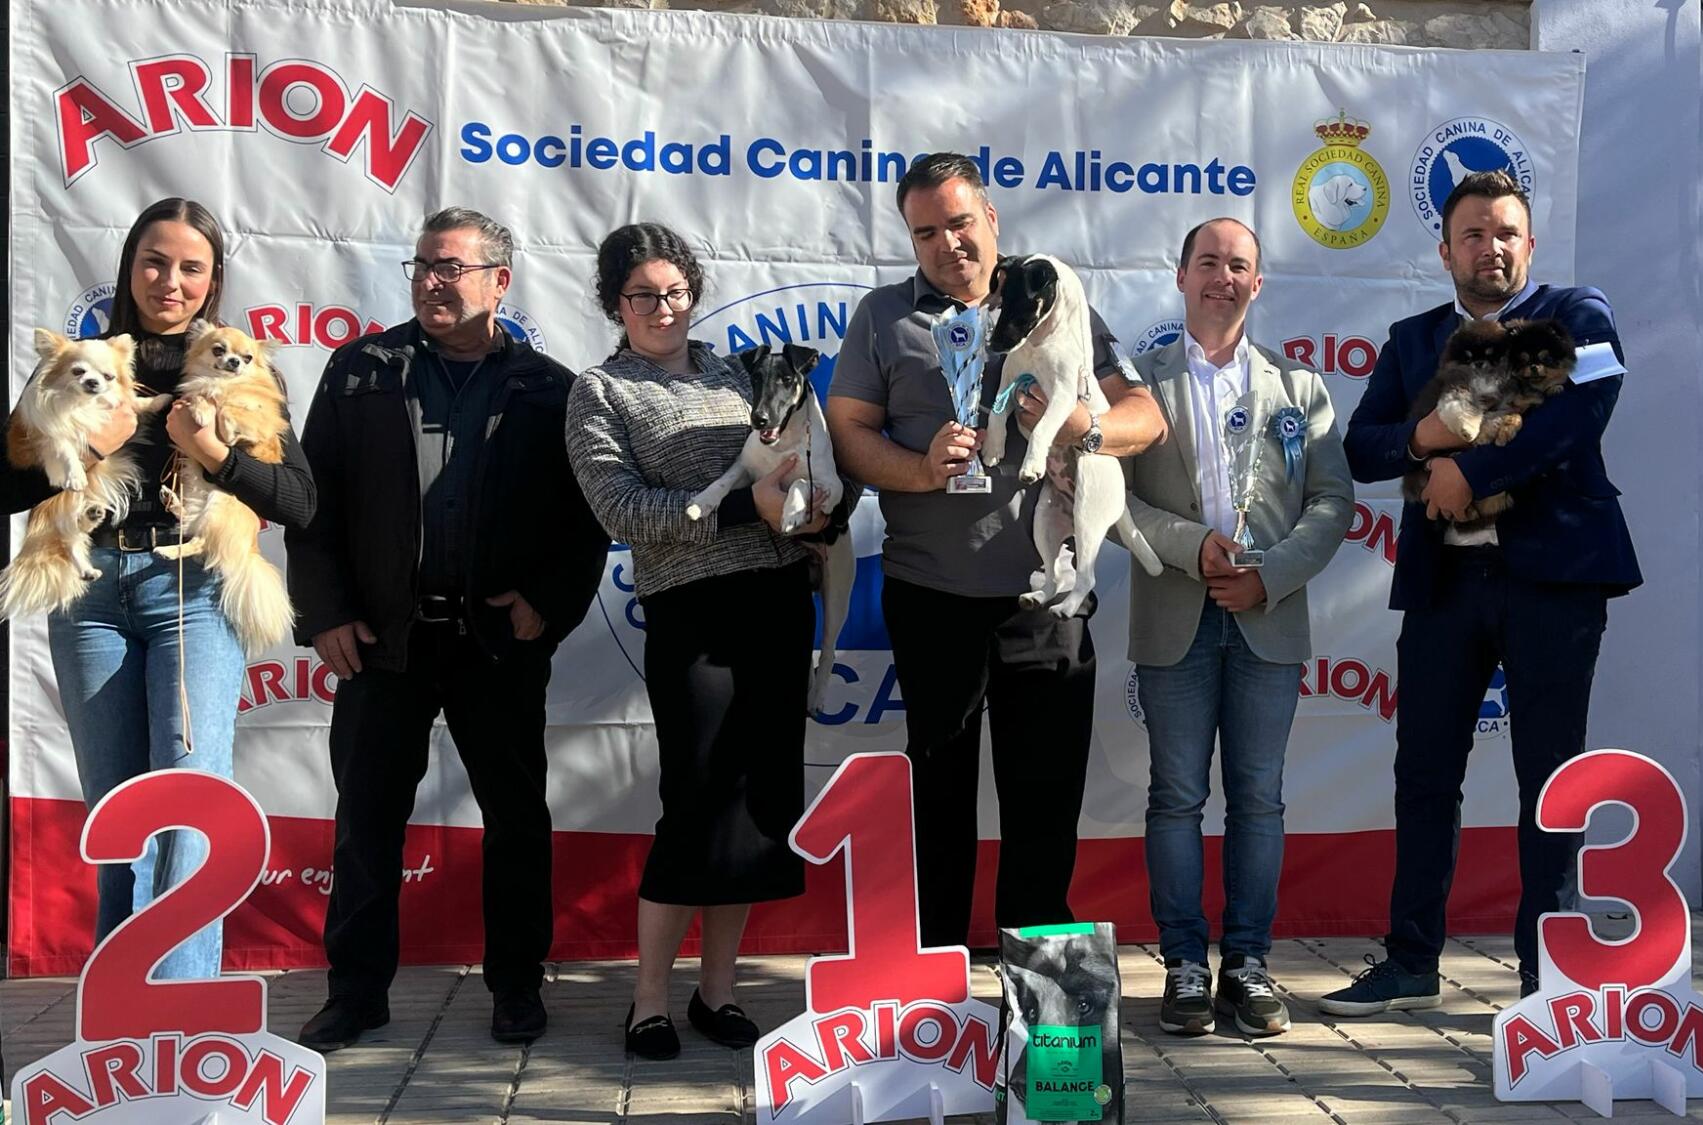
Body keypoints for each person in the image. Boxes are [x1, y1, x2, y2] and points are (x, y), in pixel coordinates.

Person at [285, 206, 608, 1050]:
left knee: (516, 820)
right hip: (383, 641)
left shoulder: (551, 388)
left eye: (450, 268)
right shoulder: (360, 371)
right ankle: (356, 993)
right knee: (365, 822)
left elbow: (583, 519)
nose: (432, 281)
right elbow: (314, 504)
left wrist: (547, 602)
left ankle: (516, 986)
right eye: (423, 266)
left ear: (500, 282)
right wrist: (325, 614)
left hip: (495, 644)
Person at [826, 152, 1166, 949]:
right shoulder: (881, 315)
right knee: (936, 798)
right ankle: (937, 982)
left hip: (1047, 598)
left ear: (991, 219)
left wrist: (1080, 425)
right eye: (925, 233)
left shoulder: (1051, 296)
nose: (947, 244)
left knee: (1044, 804)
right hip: (932, 595)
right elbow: (846, 434)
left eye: (959, 223)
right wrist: (919, 468)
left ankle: (1037, 994)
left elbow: (1145, 417)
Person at [1321, 171, 1642, 1016]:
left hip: (1555, 582)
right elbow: (1361, 447)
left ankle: (1548, 973)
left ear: (1529, 244)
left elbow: (1581, 414)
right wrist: (1426, 437)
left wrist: (1472, 471)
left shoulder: (1579, 314)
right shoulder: (1413, 339)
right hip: (1445, 586)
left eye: (1505, 233)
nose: (1490, 248)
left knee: (1552, 777)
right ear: (1445, 251)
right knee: (1424, 773)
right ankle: (1411, 960)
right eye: (1473, 234)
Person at [1, 197, 316, 979]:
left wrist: (214, 453)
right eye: (154, 261)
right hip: (89, 592)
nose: (169, 281)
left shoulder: (237, 361)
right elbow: (3, 483)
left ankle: (179, 1003)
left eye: (189, 268)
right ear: (129, 266)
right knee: (115, 810)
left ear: (212, 280)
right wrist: (87, 447)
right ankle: (120, 1008)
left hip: (193, 587)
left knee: (189, 795)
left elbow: (300, 500)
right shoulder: (79, 359)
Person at [566, 222, 840, 1060]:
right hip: (690, 610)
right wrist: (745, 509)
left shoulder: (740, 371)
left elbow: (806, 454)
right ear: (615, 302)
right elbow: (621, 510)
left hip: (778, 602)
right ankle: (648, 999)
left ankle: (718, 991)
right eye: (643, 295)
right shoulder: (600, 391)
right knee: (694, 803)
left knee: (756, 807)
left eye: (676, 292)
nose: (663, 308)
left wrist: (820, 512)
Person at [1121, 218, 1354, 1037]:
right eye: (1209, 262)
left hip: (1268, 618)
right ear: (1181, 275)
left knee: (1259, 799)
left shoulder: (1300, 386)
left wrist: (1269, 574)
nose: (1222, 276)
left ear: (1258, 283)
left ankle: (1248, 964)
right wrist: (1192, 548)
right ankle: (1184, 964)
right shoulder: (1137, 386)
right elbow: (1112, 498)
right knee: (1176, 798)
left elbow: (1333, 500)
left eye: (1239, 265)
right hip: (1175, 616)